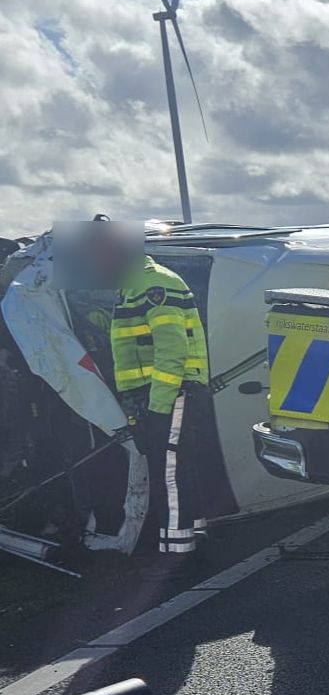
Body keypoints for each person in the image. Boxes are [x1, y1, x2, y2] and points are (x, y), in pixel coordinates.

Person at [110, 243, 210, 572]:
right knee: (179, 470)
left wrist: (158, 407)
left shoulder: (153, 284)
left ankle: (176, 557)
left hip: (170, 393)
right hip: (162, 393)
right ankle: (191, 540)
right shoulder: (135, 284)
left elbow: (172, 350)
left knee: (169, 475)